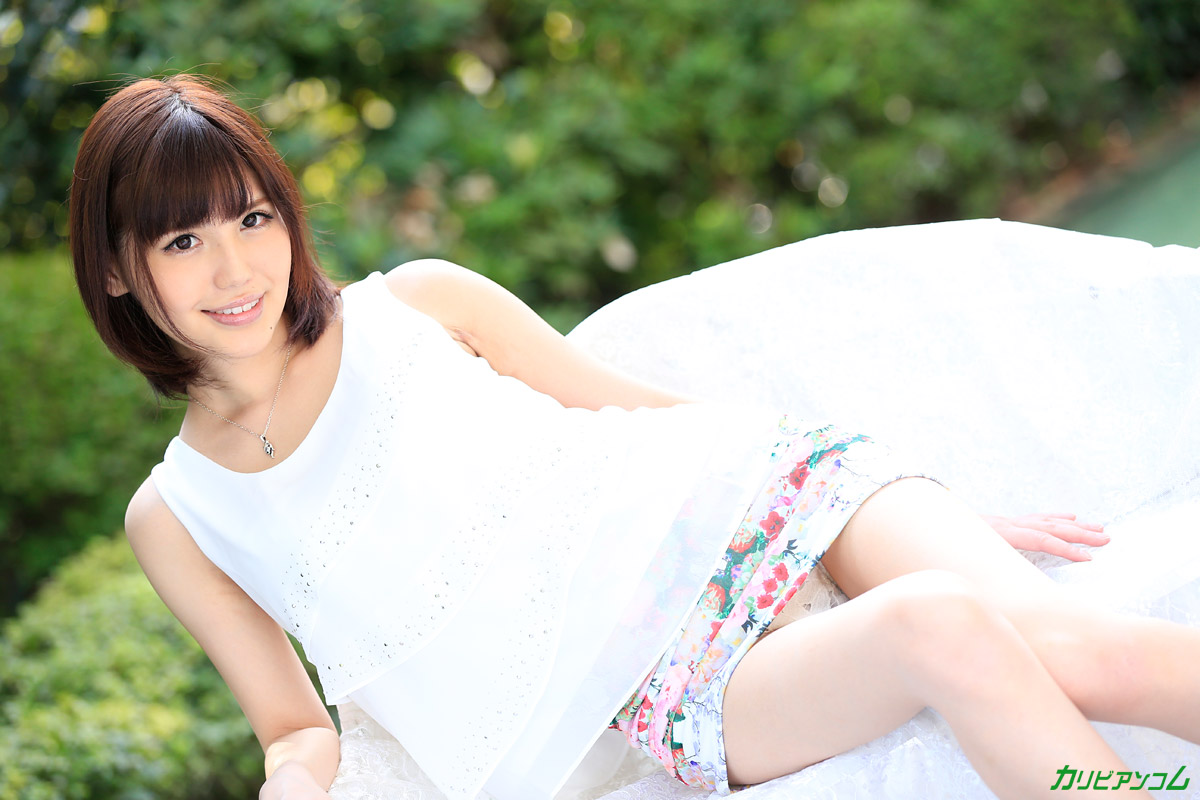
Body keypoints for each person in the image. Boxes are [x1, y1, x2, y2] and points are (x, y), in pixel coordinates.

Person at [66, 74, 1198, 800]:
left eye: (253, 216)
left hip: (763, 494)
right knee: (942, 627)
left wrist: (931, 498)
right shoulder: (180, 515)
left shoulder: (417, 301)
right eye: (183, 241)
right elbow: (294, 729)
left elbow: (641, 410)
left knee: (1078, 645)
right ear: (119, 269)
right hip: (670, 678)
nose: (236, 268)